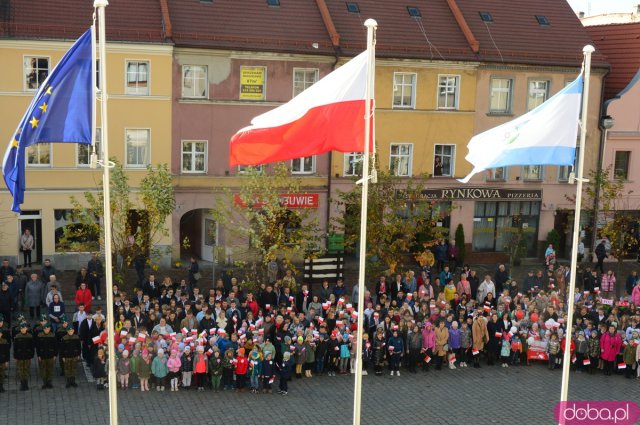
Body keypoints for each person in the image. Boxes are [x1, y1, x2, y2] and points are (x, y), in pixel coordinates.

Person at [13, 321, 35, 391]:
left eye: (24, 328)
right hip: (19, 356)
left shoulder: (30, 336)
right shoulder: (17, 337)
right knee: (20, 370)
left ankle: (26, 383)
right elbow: (15, 348)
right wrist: (15, 356)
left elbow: (32, 347)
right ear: (20, 329)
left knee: (26, 370)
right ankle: (22, 384)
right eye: (22, 328)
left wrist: (31, 355)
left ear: (26, 329)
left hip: (27, 356)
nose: (23, 329)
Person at [36, 322, 57, 389]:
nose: (46, 330)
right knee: (43, 370)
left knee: (50, 370)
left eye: (48, 329)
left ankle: (49, 382)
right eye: (45, 329)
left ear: (50, 329)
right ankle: (44, 383)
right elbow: (38, 346)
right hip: (42, 356)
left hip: (51, 356)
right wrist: (38, 355)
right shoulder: (40, 335)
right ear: (43, 329)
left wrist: (55, 355)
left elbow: (55, 346)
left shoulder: (53, 335)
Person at [0, 326, 10, 393]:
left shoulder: (4, 341)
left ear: (1, 334)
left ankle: (1, 386)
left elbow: (7, 352)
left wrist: (7, 361)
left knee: (2, 374)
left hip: (2, 360)